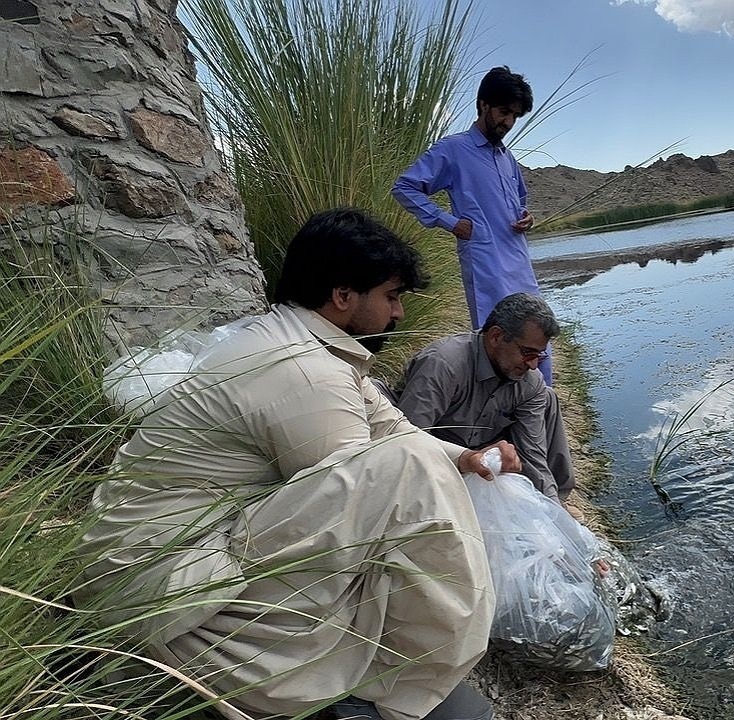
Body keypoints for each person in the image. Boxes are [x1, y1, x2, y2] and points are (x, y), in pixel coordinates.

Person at [75, 208, 517, 720]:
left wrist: (467, 456)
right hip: (161, 587)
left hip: (184, 551)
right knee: (404, 479)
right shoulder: (300, 370)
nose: (397, 314)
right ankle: (403, 687)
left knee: (409, 463)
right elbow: (368, 510)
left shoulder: (304, 345)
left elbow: (391, 428)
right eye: (391, 297)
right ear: (343, 295)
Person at [391, 65, 553, 386]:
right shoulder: (453, 150)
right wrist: (450, 223)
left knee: (538, 338)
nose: (508, 122)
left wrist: (526, 217)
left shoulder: (507, 158)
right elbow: (405, 188)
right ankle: (502, 424)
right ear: (483, 105)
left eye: (515, 116)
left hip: (520, 263)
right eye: (504, 112)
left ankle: (543, 411)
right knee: (500, 346)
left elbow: (520, 199)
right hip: (485, 266)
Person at [397, 292, 575, 506]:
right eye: (528, 353)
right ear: (496, 336)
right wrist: (464, 459)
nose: (533, 365)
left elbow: (533, 455)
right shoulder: (444, 365)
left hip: (486, 452)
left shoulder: (530, 382)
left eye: (539, 356)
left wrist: (553, 513)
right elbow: (406, 441)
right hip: (441, 454)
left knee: (548, 397)